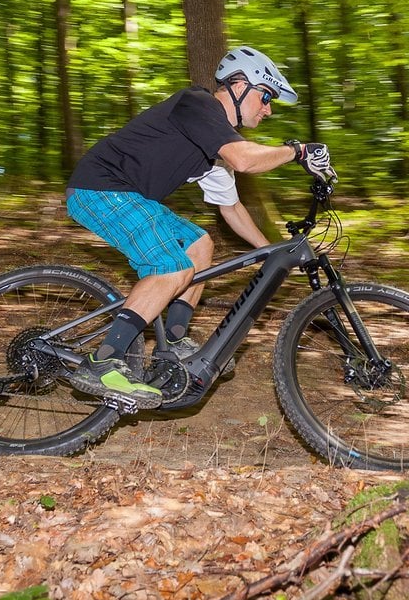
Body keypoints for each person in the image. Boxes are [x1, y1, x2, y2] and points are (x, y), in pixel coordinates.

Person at [64, 46, 332, 407]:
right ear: (239, 86)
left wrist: (272, 250)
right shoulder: (197, 104)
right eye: (266, 97)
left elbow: (231, 208)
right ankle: (103, 362)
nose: (268, 109)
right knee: (170, 267)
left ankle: (172, 343)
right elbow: (245, 159)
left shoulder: (214, 146)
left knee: (200, 245)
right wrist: (298, 151)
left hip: (130, 197)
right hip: (101, 188)